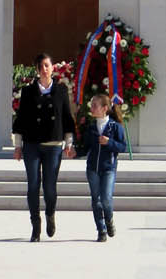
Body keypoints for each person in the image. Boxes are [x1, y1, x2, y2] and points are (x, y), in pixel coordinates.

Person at [13, 52, 76, 241]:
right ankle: (35, 224)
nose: (44, 69)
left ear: (53, 67)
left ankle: (50, 214)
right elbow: (21, 120)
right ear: (37, 70)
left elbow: (66, 118)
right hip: (32, 145)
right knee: (33, 186)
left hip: (54, 144)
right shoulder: (28, 91)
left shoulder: (61, 90)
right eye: (40, 66)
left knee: (50, 187)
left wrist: (69, 143)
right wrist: (18, 146)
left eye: (47, 65)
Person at [83, 92, 126, 242]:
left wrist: (109, 143)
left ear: (105, 108)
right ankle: (101, 229)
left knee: (106, 199)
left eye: (95, 106)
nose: (92, 108)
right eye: (92, 105)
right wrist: (72, 151)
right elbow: (84, 147)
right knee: (96, 199)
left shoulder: (115, 127)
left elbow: (123, 147)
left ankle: (109, 219)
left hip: (108, 168)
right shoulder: (90, 128)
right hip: (92, 168)